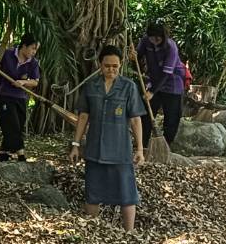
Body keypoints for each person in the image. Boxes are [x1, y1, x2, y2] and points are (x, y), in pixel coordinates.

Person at [70, 45, 146, 228]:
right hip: (95, 148)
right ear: (100, 65)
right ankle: (93, 229)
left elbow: (135, 119)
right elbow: (83, 116)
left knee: (127, 193)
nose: (111, 69)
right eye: (107, 66)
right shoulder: (91, 86)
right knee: (93, 192)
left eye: (115, 66)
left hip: (120, 149)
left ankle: (129, 233)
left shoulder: (129, 87)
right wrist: (76, 145)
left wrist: (140, 149)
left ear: (121, 65)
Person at [0, 36, 41, 161]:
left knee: (18, 124)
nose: (34, 52)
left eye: (36, 50)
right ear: (24, 46)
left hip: (20, 96)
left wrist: (23, 82)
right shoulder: (6, 54)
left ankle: (3, 153)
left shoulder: (33, 62)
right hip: (3, 94)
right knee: (10, 122)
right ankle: (21, 153)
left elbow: (35, 82)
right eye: (33, 48)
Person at [136, 22, 186, 145]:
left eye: (158, 38)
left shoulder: (170, 47)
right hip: (154, 80)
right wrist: (134, 57)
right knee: (147, 114)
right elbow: (138, 57)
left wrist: (152, 92)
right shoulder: (145, 41)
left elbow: (166, 74)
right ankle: (143, 144)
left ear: (163, 36)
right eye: (152, 38)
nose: (154, 41)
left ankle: (166, 145)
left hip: (172, 83)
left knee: (171, 117)